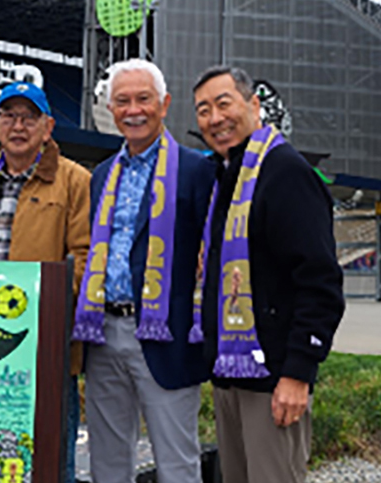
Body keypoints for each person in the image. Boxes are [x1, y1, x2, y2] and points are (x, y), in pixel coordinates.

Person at [191, 66, 345, 483]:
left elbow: (320, 282)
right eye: (203, 110)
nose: (215, 118)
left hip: (274, 377)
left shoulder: (284, 172)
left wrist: (298, 372)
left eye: (224, 104)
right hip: (231, 374)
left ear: (254, 105)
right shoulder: (227, 177)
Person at [72, 60, 215, 483]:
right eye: (122, 101)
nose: (133, 110)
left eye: (143, 99)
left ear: (164, 103)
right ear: (111, 109)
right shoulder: (101, 176)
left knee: (177, 462)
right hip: (103, 333)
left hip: (166, 333)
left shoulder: (196, 170)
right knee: (108, 461)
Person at [0, 81, 90, 482]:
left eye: (29, 117)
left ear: (48, 126)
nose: (19, 126)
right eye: (9, 116)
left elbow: (84, 258)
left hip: (44, 344)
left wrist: (43, 307)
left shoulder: (74, 180)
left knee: (50, 452)